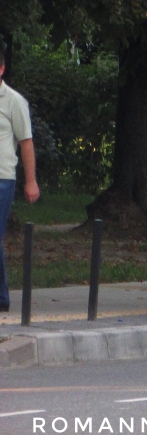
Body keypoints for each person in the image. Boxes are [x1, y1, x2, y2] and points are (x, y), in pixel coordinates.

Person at [0, 39, 39, 313]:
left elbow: (26, 142)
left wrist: (31, 180)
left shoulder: (14, 101)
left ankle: (2, 297)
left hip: (2, 178)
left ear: (1, 69)